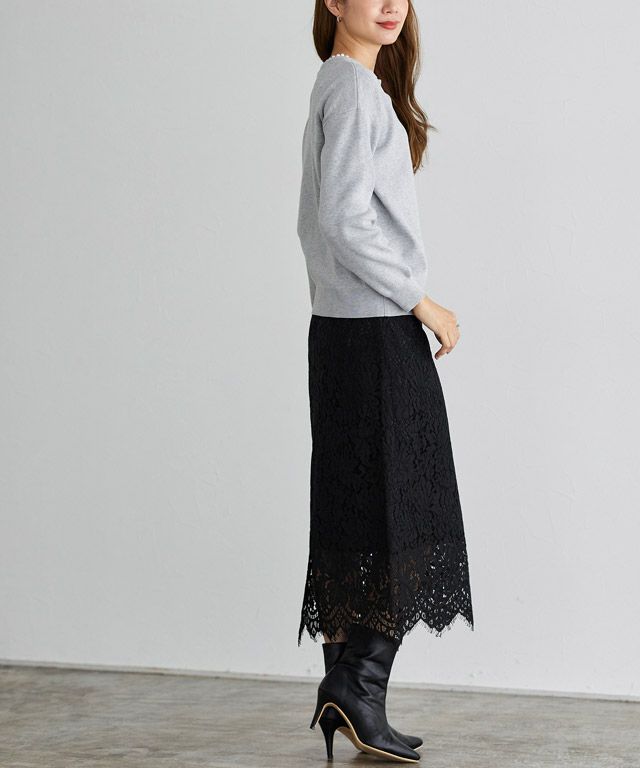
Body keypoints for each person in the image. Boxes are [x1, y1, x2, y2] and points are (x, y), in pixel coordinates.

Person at [297, 0, 475, 761]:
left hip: (345, 334)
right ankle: (357, 687)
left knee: (359, 510)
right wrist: (420, 300)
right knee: (405, 507)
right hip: (373, 331)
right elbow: (341, 221)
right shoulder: (349, 88)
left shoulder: (344, 85)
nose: (391, 3)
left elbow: (322, 222)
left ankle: (350, 691)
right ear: (333, 2)